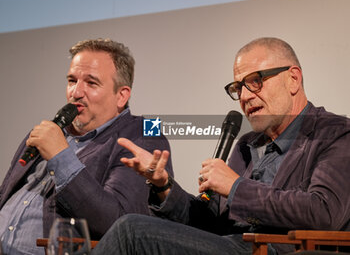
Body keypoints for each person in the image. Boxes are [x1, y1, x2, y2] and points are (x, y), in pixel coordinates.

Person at [91, 37, 350, 255]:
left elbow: (323, 212)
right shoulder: (247, 145)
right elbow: (208, 222)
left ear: (293, 79)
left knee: (130, 231)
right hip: (229, 245)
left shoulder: (335, 133)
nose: (246, 96)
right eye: (238, 87)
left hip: (271, 250)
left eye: (256, 80)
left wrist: (236, 187)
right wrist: (164, 185)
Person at [0, 38, 173, 255]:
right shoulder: (50, 132)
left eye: (91, 83)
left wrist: (61, 157)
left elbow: (118, 223)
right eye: (72, 81)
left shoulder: (143, 132)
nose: (76, 92)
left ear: (122, 95)